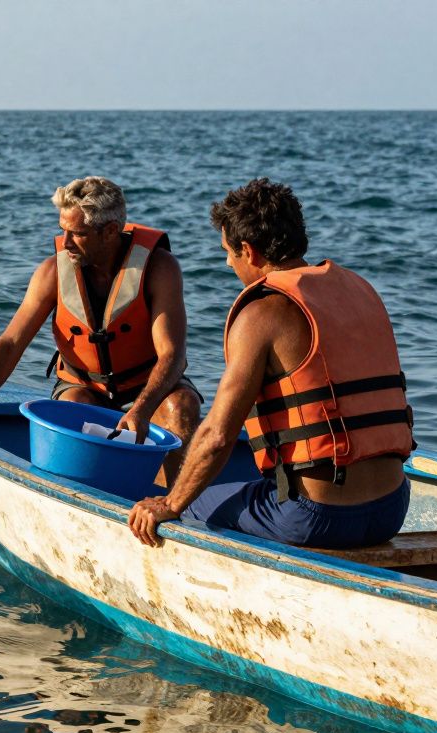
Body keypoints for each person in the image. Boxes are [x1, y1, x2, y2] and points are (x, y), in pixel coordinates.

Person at [128, 179, 413, 549]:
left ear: (249, 251)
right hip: (392, 508)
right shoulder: (360, 289)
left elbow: (217, 436)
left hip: (318, 517)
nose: (229, 262)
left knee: (189, 508)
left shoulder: (263, 312)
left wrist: (169, 503)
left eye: (228, 253)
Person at [0, 176, 201, 483]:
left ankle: (165, 504)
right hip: (84, 387)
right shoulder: (52, 272)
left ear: (111, 231)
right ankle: (86, 496)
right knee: (73, 408)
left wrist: (140, 409)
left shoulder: (160, 269)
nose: (66, 242)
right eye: (63, 230)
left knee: (181, 407)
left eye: (78, 233)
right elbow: (10, 343)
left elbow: (173, 355)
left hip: (146, 386)